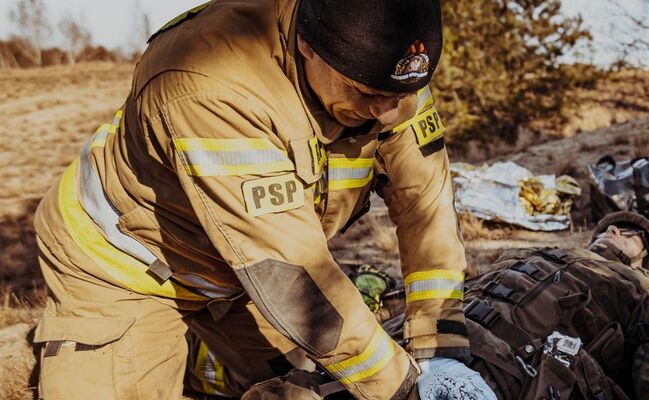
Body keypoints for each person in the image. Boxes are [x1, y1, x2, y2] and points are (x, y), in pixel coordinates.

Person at [30, 0, 495, 399]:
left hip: (242, 269)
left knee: (309, 383)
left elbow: (426, 209)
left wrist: (442, 353)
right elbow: (292, 276)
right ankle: (156, 342)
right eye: (365, 95)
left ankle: (198, 351)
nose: (388, 113)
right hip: (126, 267)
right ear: (308, 46)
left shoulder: (389, 72)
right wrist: (403, 389)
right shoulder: (211, 80)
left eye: (404, 94)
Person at [233, 212, 649, 400]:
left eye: (632, 234)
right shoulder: (525, 251)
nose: (614, 232)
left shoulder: (644, 290)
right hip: (421, 341)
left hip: (508, 370)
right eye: (610, 226)